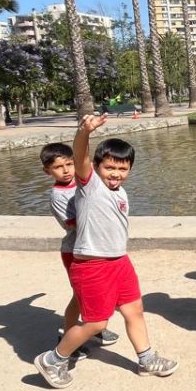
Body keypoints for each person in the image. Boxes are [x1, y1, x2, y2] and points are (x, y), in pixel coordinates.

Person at [33, 114, 177, 388]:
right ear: (95, 167)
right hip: (93, 266)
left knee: (134, 310)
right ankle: (53, 359)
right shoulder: (90, 187)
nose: (116, 174)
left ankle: (146, 359)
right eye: (109, 167)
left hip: (120, 261)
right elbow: (80, 156)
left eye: (123, 169)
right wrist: (84, 132)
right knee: (96, 323)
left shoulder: (120, 193)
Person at [41, 142, 119, 355]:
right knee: (79, 295)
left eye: (69, 164)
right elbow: (74, 222)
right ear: (47, 171)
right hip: (75, 251)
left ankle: (90, 327)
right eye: (58, 167)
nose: (66, 170)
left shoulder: (80, 182)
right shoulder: (58, 196)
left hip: (93, 249)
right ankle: (67, 336)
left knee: (92, 293)